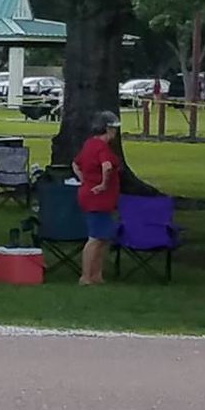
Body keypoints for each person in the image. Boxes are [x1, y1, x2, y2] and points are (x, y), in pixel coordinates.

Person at [73, 110, 121, 286]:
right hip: (97, 198)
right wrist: (103, 184)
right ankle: (86, 276)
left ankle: (97, 275)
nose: (115, 133)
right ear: (107, 129)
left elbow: (75, 163)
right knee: (95, 238)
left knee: (102, 237)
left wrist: (83, 179)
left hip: (92, 195)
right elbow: (107, 167)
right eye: (113, 129)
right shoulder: (101, 147)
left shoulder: (89, 144)